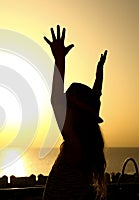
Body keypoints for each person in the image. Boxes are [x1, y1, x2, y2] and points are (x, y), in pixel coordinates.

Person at [42, 25, 108, 200]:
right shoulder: (86, 145)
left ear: (77, 115)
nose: (64, 110)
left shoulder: (75, 146)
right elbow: (93, 102)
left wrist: (59, 60)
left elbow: (55, 100)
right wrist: (98, 78)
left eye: (67, 106)